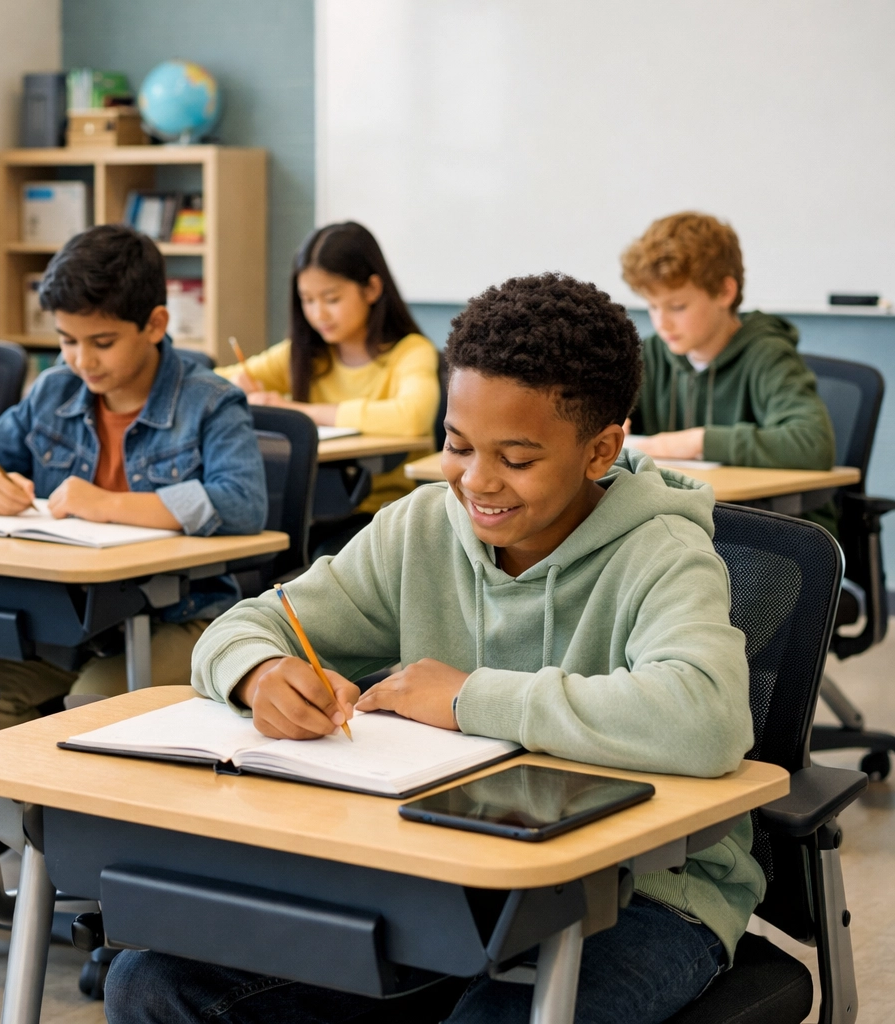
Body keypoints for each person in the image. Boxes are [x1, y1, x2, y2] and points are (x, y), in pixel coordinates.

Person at [106, 273, 761, 1024]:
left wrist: (465, 698)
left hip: (641, 894)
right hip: (437, 876)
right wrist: (261, 673)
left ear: (600, 449)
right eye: (456, 444)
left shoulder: (663, 551)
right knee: (153, 983)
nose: (476, 481)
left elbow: (706, 718)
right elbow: (246, 623)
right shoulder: (421, 526)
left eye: (516, 459)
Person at [0, 224, 267, 732]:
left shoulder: (210, 402)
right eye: (67, 340)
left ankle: (75, 812)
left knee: (92, 709)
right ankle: (15, 816)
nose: (82, 359)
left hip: (178, 616)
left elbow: (242, 503)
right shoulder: (53, 391)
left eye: (102, 342)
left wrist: (108, 503)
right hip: (64, 621)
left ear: (154, 324)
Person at [221, 221, 438, 554]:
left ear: (372, 289)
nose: (318, 313)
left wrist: (297, 412)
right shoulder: (305, 354)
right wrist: (237, 385)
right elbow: (219, 378)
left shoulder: (409, 352)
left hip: (386, 518)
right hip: (310, 510)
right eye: (307, 300)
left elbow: (412, 417)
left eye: (331, 298)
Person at [620, 211, 834, 470]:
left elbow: (812, 444)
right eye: (652, 307)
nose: (661, 323)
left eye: (677, 307)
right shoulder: (652, 353)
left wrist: (698, 442)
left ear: (724, 292)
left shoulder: (767, 354)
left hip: (760, 509)